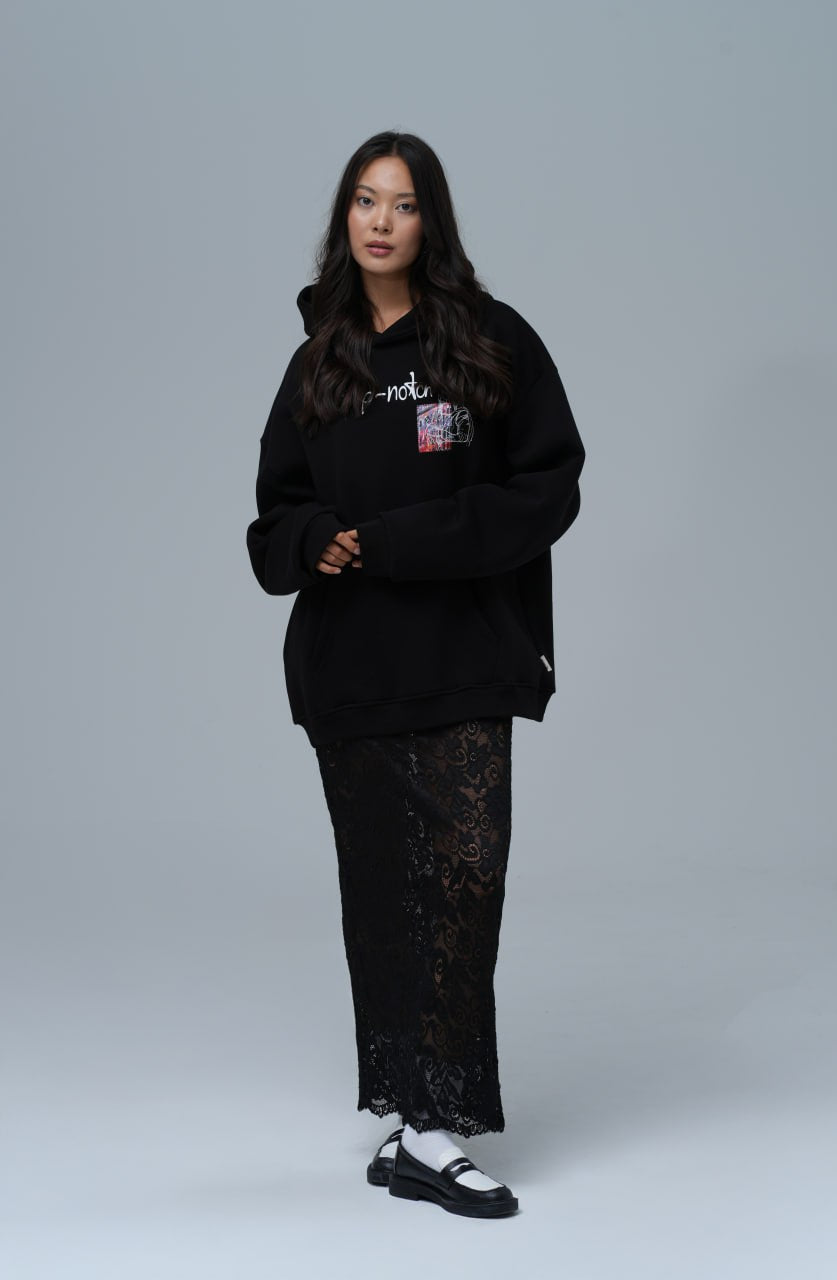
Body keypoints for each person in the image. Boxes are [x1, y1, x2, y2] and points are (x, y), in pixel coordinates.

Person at [246, 130, 585, 1218]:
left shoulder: (489, 339)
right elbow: (271, 525)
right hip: (350, 668)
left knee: (465, 879)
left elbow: (549, 486)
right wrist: (316, 541)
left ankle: (430, 1121)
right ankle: (419, 1130)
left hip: (467, 657)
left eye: (400, 203)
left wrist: (402, 540)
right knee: (385, 896)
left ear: (430, 220)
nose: (379, 221)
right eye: (363, 200)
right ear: (343, 218)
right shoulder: (320, 361)